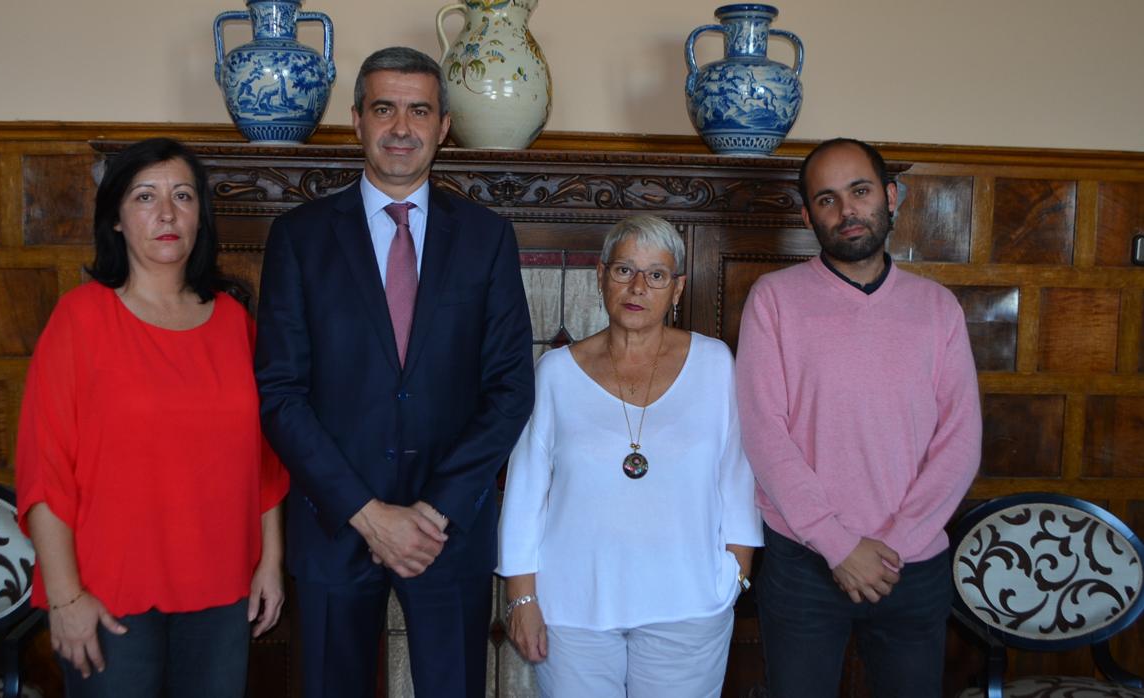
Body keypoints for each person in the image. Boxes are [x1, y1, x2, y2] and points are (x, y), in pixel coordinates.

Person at [254, 46, 535, 698]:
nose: (401, 128)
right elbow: (280, 393)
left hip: (447, 532)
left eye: (419, 111)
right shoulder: (300, 238)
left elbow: (510, 387)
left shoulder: (487, 237)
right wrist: (366, 512)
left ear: (443, 126)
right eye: (385, 109)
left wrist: (433, 510)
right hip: (334, 527)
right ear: (356, 120)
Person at [15, 137, 289, 698]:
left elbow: (263, 460)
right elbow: (44, 471)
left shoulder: (234, 321)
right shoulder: (81, 320)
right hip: (109, 596)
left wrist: (270, 563)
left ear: (200, 217)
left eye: (182, 196)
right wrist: (66, 599)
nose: (166, 213)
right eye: (145, 196)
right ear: (116, 217)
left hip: (222, 589)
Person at [735, 137, 982, 698]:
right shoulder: (773, 300)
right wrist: (839, 546)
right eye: (826, 199)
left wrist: (894, 545)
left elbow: (961, 441)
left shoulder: (937, 308)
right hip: (804, 563)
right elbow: (763, 434)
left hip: (911, 565)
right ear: (807, 215)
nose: (847, 210)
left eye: (860, 191)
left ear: (890, 197)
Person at [498, 214, 763, 698]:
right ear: (600, 276)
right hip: (573, 609)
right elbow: (526, 491)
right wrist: (522, 597)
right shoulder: (555, 372)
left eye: (657, 275)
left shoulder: (714, 363)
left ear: (677, 288)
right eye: (624, 270)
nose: (638, 286)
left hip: (689, 604)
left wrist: (734, 577)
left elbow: (737, 477)